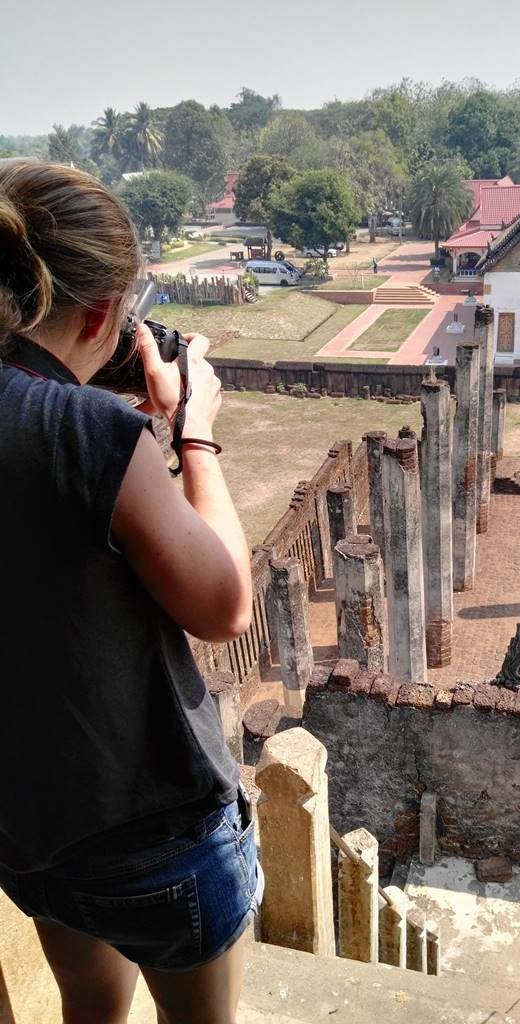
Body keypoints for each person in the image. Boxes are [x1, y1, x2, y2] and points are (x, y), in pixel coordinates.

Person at [0, 160, 261, 1024]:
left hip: (28, 823)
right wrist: (193, 435)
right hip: (155, 838)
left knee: (89, 1006)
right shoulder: (86, 429)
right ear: (107, 310)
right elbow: (223, 605)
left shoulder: (63, 420)